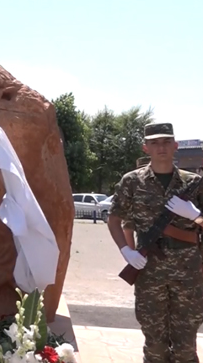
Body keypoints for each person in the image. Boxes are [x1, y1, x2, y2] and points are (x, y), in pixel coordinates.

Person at [107, 123, 203, 363]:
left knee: (185, 348)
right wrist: (126, 250)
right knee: (155, 347)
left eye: (166, 142)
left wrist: (195, 215)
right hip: (149, 271)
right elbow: (114, 221)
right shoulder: (131, 181)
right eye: (154, 143)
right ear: (146, 147)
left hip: (188, 273)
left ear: (175, 146)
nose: (161, 147)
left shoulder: (194, 183)